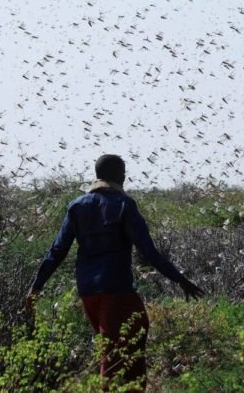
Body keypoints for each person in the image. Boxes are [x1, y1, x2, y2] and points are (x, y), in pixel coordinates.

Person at [26, 154, 204, 391]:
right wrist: (180, 279)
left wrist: (36, 287)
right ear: (119, 175)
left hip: (88, 293)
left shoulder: (77, 206)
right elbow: (148, 251)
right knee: (119, 356)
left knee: (114, 351)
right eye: (123, 172)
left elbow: (57, 251)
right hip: (116, 291)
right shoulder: (124, 205)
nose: (125, 176)